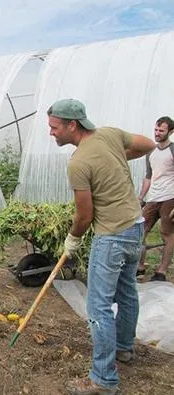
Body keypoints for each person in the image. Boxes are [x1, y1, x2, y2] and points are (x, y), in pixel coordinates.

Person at [47, 99, 155, 395]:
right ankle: (123, 349)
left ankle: (103, 379)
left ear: (72, 125)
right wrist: (116, 158)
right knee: (127, 292)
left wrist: (73, 238)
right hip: (135, 226)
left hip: (112, 236)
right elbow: (148, 144)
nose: (51, 133)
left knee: (98, 307)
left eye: (54, 127)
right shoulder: (109, 134)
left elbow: (85, 215)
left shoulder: (79, 162)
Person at [136, 117, 174, 282]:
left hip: (170, 198)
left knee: (167, 234)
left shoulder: (173, 150)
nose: (157, 133)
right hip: (153, 198)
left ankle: (161, 271)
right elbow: (149, 176)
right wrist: (141, 197)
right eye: (156, 130)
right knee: (140, 232)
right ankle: (140, 267)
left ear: (170, 132)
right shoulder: (151, 152)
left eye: (161, 131)